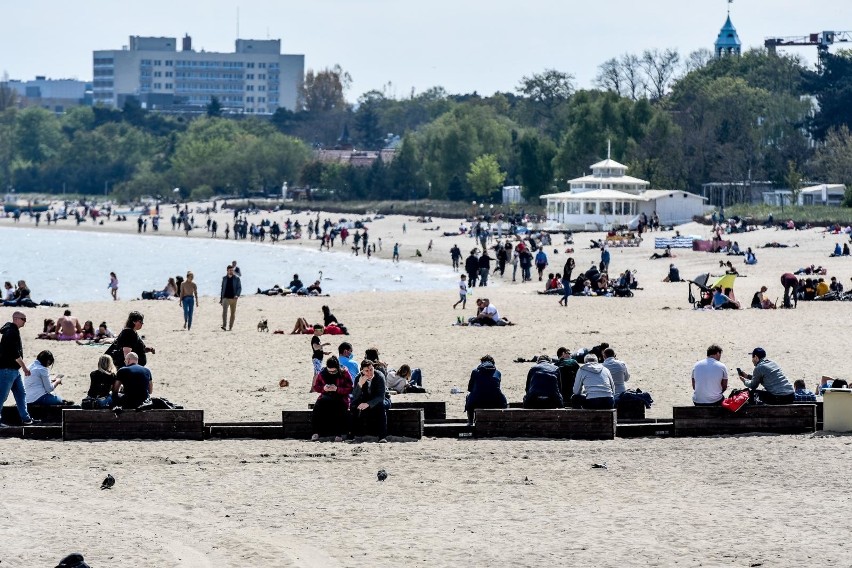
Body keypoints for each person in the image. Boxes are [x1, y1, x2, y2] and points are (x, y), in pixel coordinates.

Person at [0, 312, 35, 426]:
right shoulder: (11, 332)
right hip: (7, 370)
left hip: (14, 371)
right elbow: (15, 354)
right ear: (16, 319)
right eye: (23, 319)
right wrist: (25, 368)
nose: (25, 321)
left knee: (21, 394)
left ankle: (26, 419)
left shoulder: (12, 330)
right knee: (2, 396)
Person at [310, 356, 353, 441]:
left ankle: (339, 434)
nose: (332, 373)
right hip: (326, 396)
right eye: (330, 371)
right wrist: (324, 388)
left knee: (338, 410)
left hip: (341, 398)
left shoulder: (344, 372)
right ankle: (316, 432)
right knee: (317, 408)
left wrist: (337, 389)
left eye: (334, 371)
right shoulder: (322, 373)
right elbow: (316, 387)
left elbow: (350, 388)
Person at [350, 360, 389, 440]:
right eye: (367, 371)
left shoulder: (379, 376)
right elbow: (355, 396)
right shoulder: (358, 377)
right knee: (353, 406)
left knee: (381, 407)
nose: (370, 372)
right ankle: (351, 435)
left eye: (371, 369)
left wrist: (368, 404)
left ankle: (382, 436)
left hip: (379, 399)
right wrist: (360, 385)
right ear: (362, 371)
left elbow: (380, 396)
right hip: (364, 399)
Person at [464, 355, 508, 426]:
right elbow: (496, 388)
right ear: (493, 364)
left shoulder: (475, 372)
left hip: (477, 402)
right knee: (503, 399)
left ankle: (470, 422)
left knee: (468, 396)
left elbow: (470, 389)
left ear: (481, 363)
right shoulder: (498, 373)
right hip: (496, 402)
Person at [220, 264, 241, 331]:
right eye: (230, 270)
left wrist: (237, 295)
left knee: (232, 313)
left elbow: (239, 288)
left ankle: (230, 327)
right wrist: (221, 299)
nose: (231, 271)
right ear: (227, 271)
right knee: (224, 312)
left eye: (232, 270)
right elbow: (222, 289)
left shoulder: (237, 279)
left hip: (234, 299)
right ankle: (224, 326)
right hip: (225, 298)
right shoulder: (224, 278)